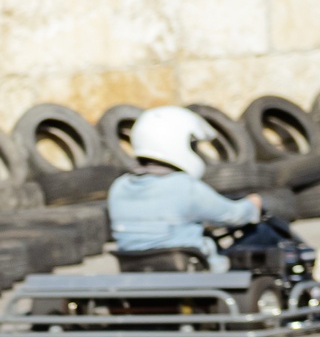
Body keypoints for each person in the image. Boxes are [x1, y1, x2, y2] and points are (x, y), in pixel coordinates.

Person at [105, 106, 262, 273]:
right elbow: (233, 216)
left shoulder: (119, 187)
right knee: (260, 236)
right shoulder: (185, 187)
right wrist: (253, 203)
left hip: (137, 270)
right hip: (191, 271)